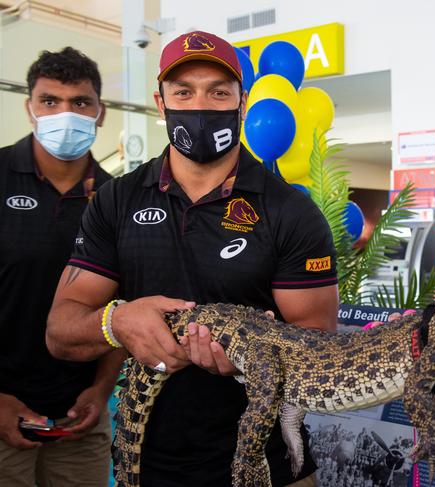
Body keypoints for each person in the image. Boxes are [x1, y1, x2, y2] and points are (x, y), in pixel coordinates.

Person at [46, 31, 339, 487]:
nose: (200, 105)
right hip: (151, 465)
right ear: (161, 104)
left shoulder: (291, 211)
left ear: (241, 101)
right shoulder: (115, 201)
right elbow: (61, 330)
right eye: (183, 91)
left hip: (271, 467)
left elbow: (319, 345)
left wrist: (252, 355)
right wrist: (116, 322)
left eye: (218, 92)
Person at [0, 47, 119, 486]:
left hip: (80, 416)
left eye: (80, 102)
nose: (65, 113)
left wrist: (102, 390)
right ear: (30, 108)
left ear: (100, 112)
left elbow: (123, 304)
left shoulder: (116, 198)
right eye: (50, 101)